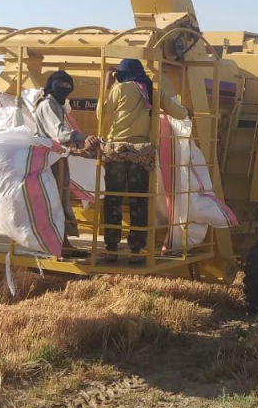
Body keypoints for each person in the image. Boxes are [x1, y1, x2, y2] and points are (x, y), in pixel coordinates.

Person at [95, 58, 190, 263]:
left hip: (117, 153)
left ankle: (112, 249)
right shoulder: (153, 91)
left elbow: (101, 114)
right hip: (141, 154)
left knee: (113, 200)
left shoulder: (119, 90)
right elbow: (181, 114)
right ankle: (136, 251)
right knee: (140, 201)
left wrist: (106, 85)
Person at [34, 70, 96, 258]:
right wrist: (82, 137)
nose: (65, 91)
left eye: (68, 88)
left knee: (61, 197)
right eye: (62, 87)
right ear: (52, 87)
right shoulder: (47, 105)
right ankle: (61, 245)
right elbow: (59, 133)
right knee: (57, 199)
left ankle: (63, 243)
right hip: (50, 161)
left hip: (57, 157)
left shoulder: (56, 104)